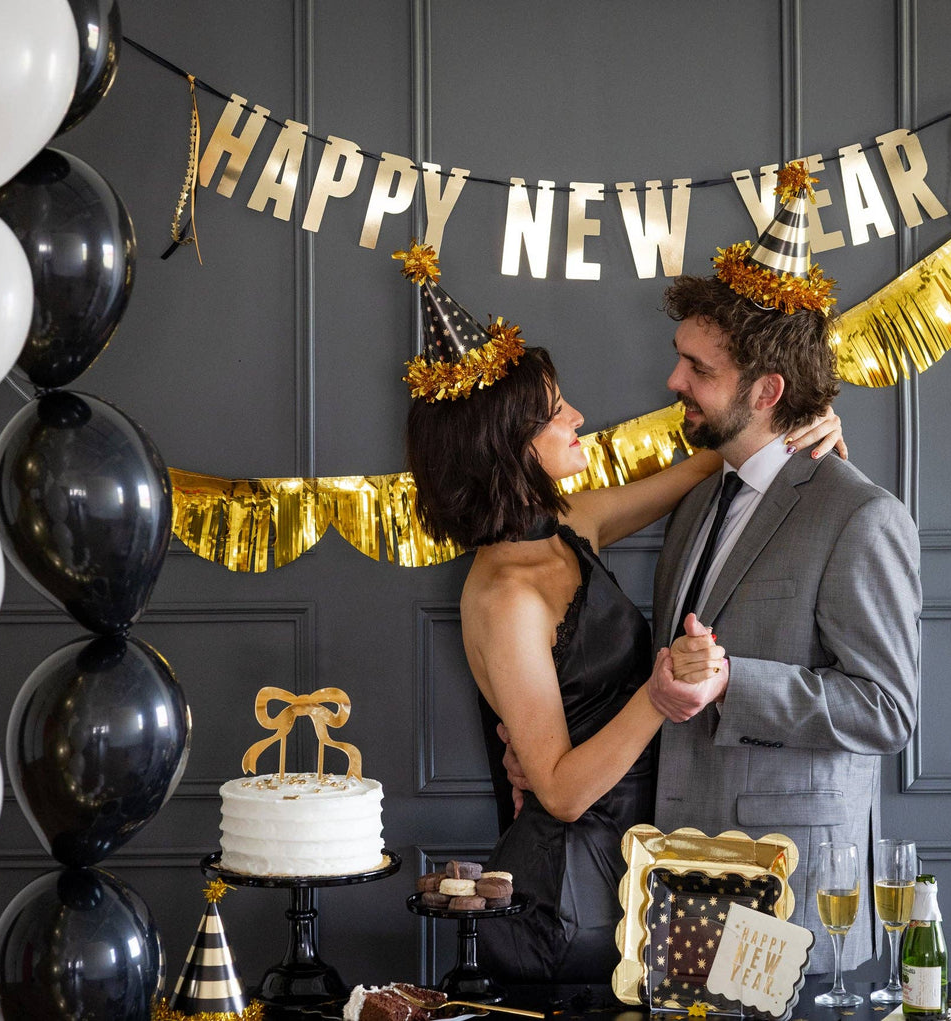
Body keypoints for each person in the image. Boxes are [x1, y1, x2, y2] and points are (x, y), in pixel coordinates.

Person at [395, 240, 843, 984]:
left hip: (638, 862)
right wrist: (659, 693)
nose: (577, 416)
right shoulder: (504, 595)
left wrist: (808, 415)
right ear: (507, 447)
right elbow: (562, 790)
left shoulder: (570, 521)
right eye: (552, 412)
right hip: (570, 892)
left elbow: (712, 460)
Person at [644, 162, 922, 974]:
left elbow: (887, 708)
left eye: (699, 370)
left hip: (792, 884)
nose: (674, 382)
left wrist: (735, 681)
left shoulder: (860, 515)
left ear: (767, 390)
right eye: (680, 358)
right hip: (680, 872)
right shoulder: (700, 502)